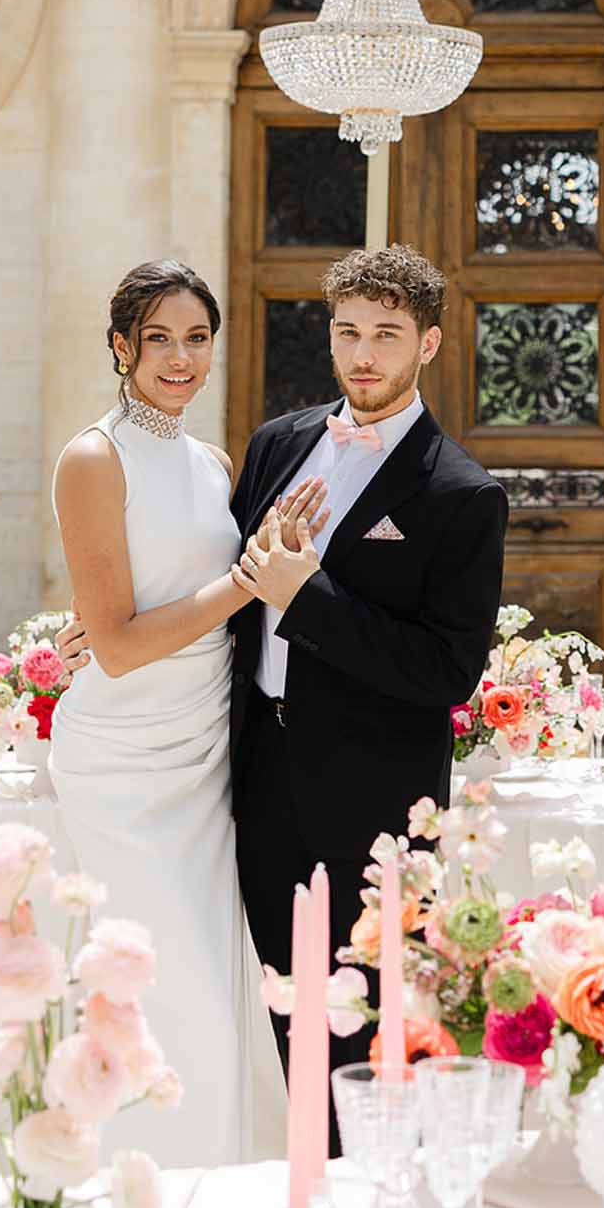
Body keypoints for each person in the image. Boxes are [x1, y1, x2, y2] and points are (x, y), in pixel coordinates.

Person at [48, 258, 321, 1166]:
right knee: (156, 986)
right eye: (157, 338)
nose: (179, 357)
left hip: (203, 753)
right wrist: (245, 583)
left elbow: (186, 595)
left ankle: (217, 1185)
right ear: (121, 347)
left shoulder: (212, 462)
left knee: (212, 981)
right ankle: (141, 1188)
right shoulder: (93, 457)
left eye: (196, 338)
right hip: (124, 761)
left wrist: (272, 562)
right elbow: (119, 644)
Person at [227, 244, 508, 1100]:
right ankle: (315, 1179)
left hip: (377, 794)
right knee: (283, 999)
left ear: (426, 344)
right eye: (347, 331)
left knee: (376, 1010)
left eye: (386, 334)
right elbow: (223, 588)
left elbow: (446, 670)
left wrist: (303, 597)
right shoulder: (276, 444)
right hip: (259, 772)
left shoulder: (462, 493)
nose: (362, 354)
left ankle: (377, 1184)